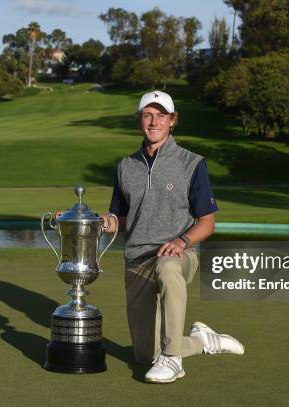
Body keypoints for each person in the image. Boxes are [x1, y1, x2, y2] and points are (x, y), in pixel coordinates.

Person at [99, 90, 244, 384]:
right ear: (139, 120)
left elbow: (207, 223)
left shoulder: (192, 163)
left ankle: (174, 360)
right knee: (144, 355)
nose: (154, 122)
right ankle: (204, 341)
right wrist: (91, 221)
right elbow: (121, 220)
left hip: (180, 256)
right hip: (137, 260)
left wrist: (181, 242)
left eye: (161, 116)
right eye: (148, 115)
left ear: (172, 121)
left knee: (167, 265)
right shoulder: (126, 167)